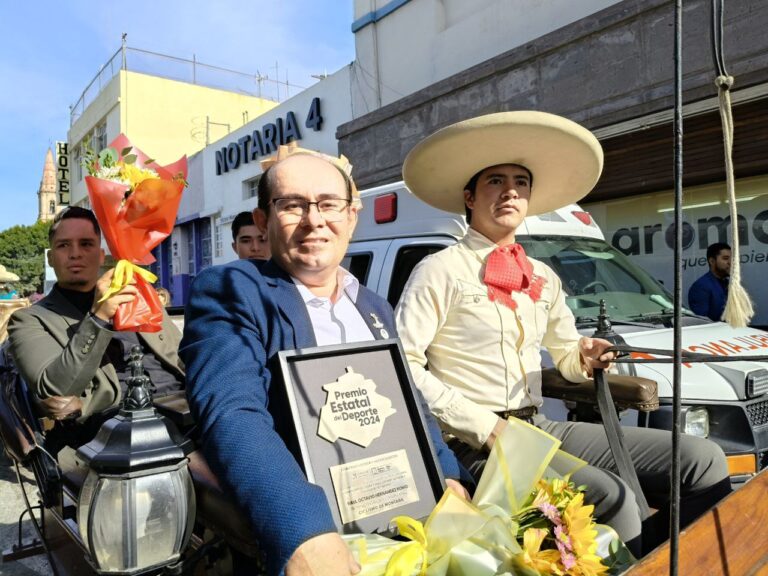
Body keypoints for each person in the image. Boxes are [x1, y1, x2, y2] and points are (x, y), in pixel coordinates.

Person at [396, 111, 731, 555]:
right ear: (470, 196)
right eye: (496, 181)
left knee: (704, 460)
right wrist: (484, 426)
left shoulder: (542, 276)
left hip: (539, 426)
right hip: (471, 442)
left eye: (521, 181)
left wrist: (586, 354)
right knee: (614, 499)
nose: (511, 190)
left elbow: (567, 355)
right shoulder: (438, 271)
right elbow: (403, 368)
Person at [180, 146, 469, 576]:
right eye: (292, 205)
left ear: (352, 216)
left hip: (406, 515)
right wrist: (302, 530)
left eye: (329, 204)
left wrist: (446, 475)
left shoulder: (374, 306)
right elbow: (232, 411)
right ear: (263, 221)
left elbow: (410, 405)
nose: (314, 220)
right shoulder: (231, 288)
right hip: (320, 536)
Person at [7, 207, 185, 450]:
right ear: (50, 257)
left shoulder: (138, 295)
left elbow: (182, 357)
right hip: (114, 430)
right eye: (64, 245)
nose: (75, 254)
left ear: (102, 255)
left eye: (86, 244)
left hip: (183, 408)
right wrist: (98, 317)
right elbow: (57, 388)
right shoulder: (29, 319)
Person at [688, 242, 731, 321]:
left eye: (732, 259)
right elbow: (701, 321)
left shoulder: (728, 283)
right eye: (725, 258)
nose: (730, 262)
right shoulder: (701, 287)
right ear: (712, 261)